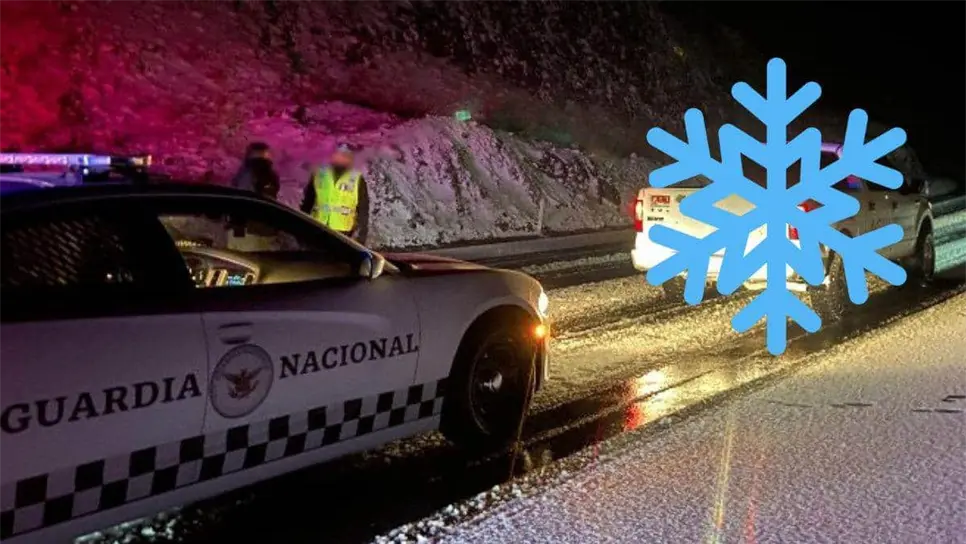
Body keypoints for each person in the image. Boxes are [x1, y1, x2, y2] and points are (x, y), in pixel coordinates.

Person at [300, 143, 370, 244]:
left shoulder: (357, 179)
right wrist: (301, 226)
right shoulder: (319, 174)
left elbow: (363, 210)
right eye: (338, 154)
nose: (341, 157)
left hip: (343, 230)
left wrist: (361, 237)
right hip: (317, 226)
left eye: (345, 155)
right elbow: (308, 202)